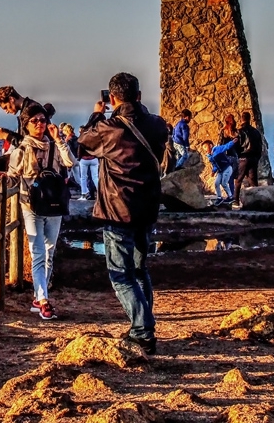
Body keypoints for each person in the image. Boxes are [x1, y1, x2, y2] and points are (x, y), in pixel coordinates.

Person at [78, 72, 168, 355]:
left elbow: (82, 145)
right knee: (140, 270)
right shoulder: (157, 125)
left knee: (120, 274)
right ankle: (141, 325)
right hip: (147, 208)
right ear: (139, 96)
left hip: (118, 210)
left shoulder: (108, 128)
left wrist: (96, 115)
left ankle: (142, 331)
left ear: (113, 99)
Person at [0, 104, 76, 321]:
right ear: (27, 125)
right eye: (35, 121)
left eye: (43, 120)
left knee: (50, 251)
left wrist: (59, 139)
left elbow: (70, 163)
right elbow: (14, 176)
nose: (40, 124)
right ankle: (44, 299)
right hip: (30, 205)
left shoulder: (55, 146)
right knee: (38, 251)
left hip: (55, 205)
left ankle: (40, 297)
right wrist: (4, 176)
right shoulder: (21, 149)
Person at [235, 111, 263, 203]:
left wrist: (238, 157)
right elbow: (260, 146)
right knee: (253, 182)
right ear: (249, 119)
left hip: (243, 158)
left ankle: (236, 201)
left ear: (241, 119)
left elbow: (237, 146)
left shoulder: (240, 132)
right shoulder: (256, 132)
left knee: (238, 180)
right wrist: (257, 158)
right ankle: (255, 201)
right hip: (253, 158)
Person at [201, 139, 236, 206]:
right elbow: (215, 165)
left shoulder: (218, 149)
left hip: (227, 168)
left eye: (205, 147)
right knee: (216, 183)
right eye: (203, 148)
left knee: (224, 183)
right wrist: (213, 171)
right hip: (220, 171)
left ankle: (231, 197)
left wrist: (232, 142)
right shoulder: (210, 156)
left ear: (210, 145)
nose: (205, 149)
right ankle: (219, 198)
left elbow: (226, 146)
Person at [77, 126, 100, 201]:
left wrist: (79, 158)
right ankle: (100, 192)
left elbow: (79, 150)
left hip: (84, 159)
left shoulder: (81, 139)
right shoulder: (94, 139)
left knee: (83, 177)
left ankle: (84, 194)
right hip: (94, 159)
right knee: (95, 177)